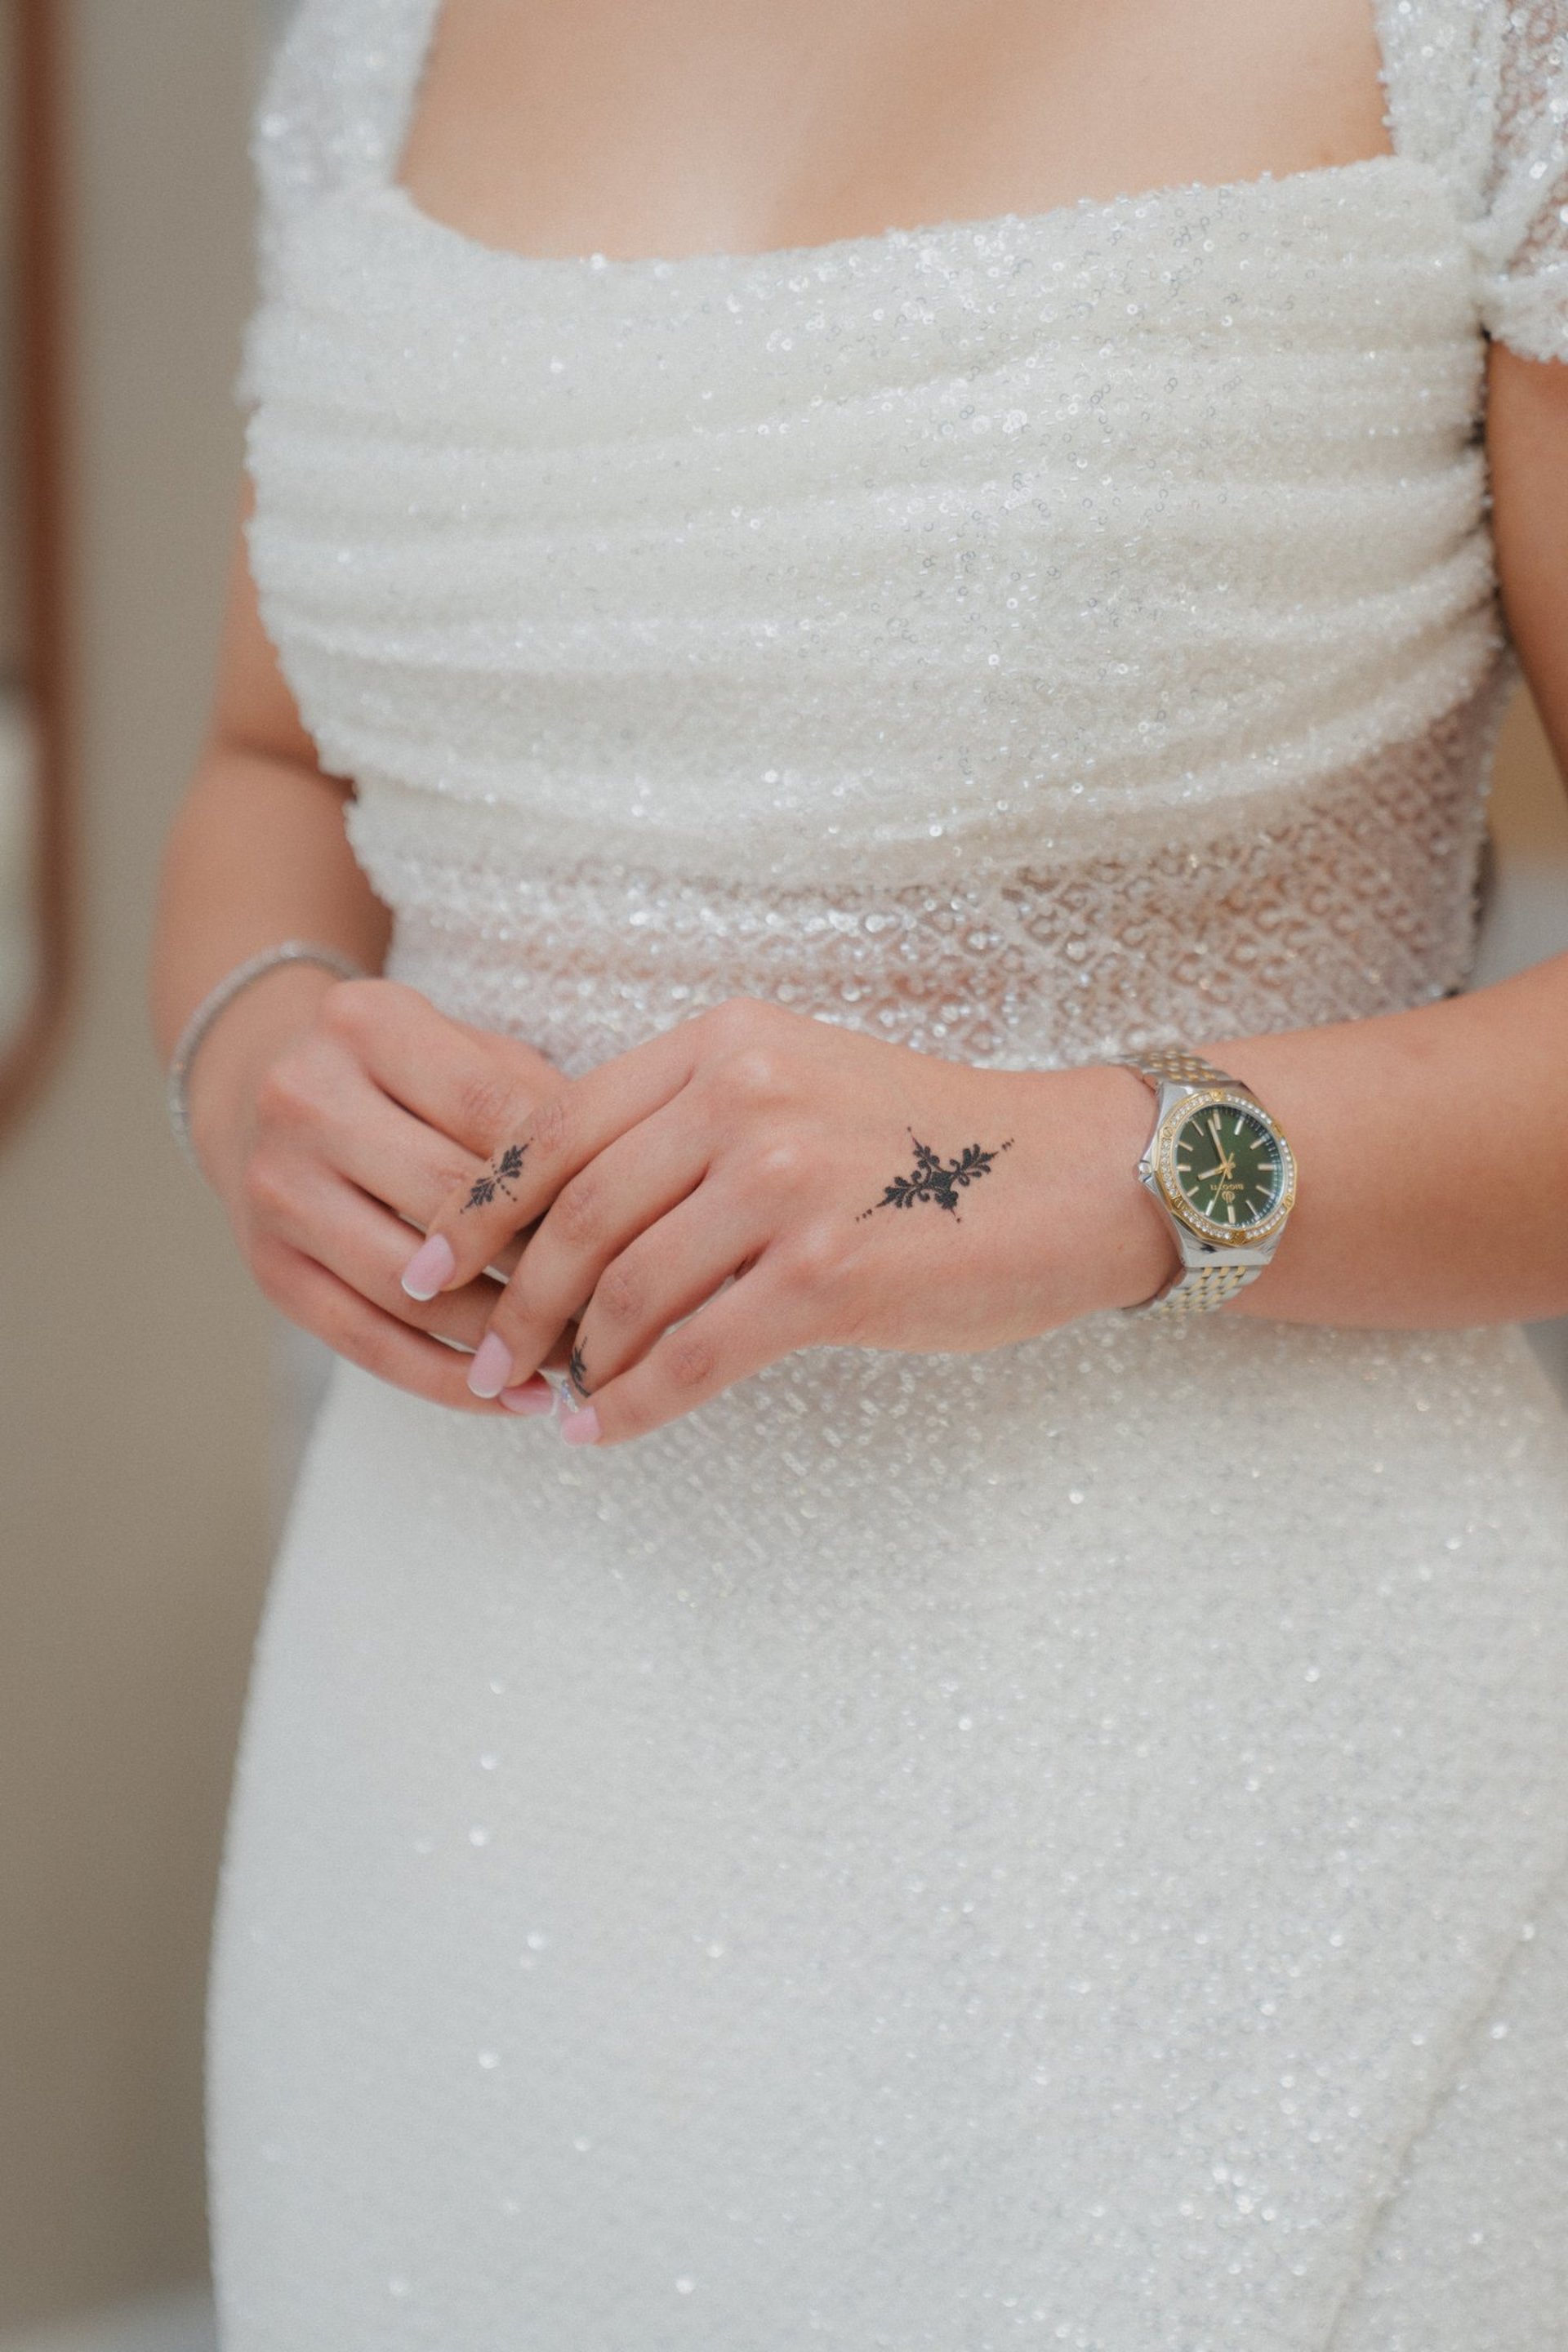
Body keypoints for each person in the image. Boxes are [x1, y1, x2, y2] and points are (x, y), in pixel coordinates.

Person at [149, 0, 1568, 2341]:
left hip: (1238, 1852)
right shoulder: (372, 51)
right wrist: (255, 1066)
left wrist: (1107, 1166)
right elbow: (260, 759)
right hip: (460, 1826)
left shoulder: (1473, 44)